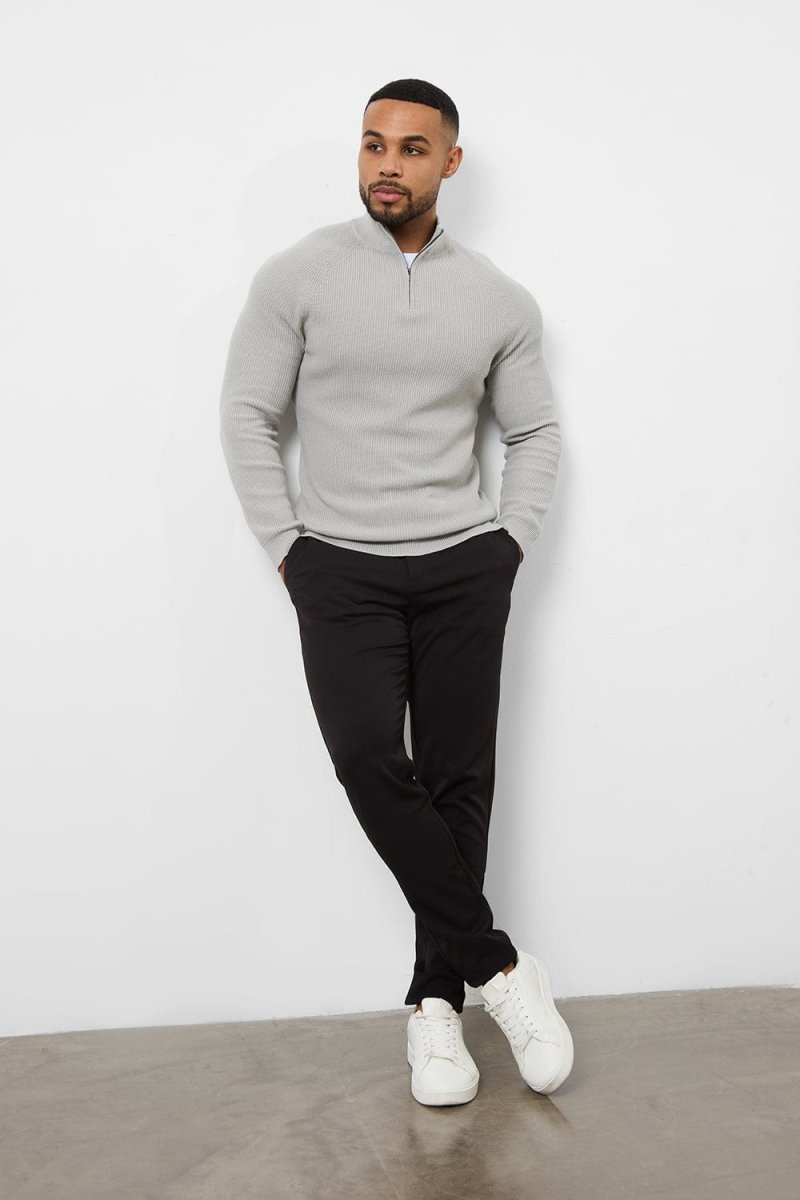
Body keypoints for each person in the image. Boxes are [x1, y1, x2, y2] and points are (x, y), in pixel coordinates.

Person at [219, 77, 573, 1106]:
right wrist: (288, 547)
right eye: (374, 143)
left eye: (413, 148)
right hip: (339, 567)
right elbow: (246, 414)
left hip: (465, 564)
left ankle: (435, 1007)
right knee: (370, 759)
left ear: (448, 164)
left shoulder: (499, 300)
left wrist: (510, 542)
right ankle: (500, 967)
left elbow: (535, 430)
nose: (387, 164)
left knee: (459, 783)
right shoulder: (299, 276)